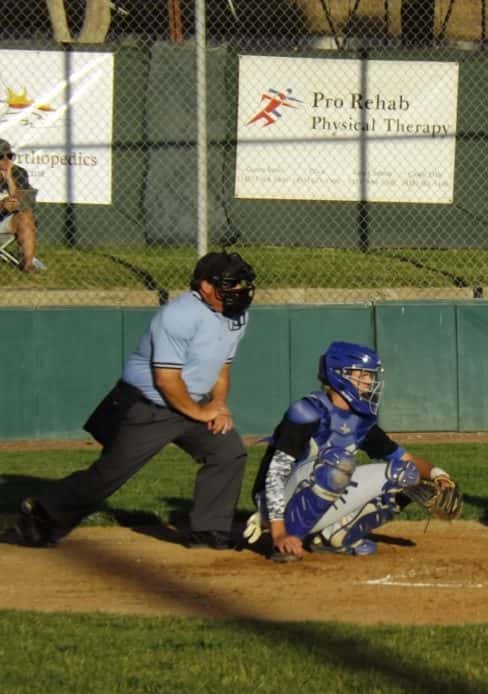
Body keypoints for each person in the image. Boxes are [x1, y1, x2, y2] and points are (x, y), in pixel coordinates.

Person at [16, 251, 257, 549]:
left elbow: (221, 367)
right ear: (206, 286)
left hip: (190, 402)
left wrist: (218, 406)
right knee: (110, 475)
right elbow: (166, 380)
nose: (240, 291)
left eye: (243, 284)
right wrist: (201, 412)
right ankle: (41, 514)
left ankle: (209, 530)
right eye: (231, 284)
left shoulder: (237, 316)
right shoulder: (179, 315)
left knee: (228, 451)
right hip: (149, 405)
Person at [244, 340, 460, 561]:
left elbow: (405, 459)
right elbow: (276, 474)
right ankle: (286, 543)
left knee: (406, 474)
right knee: (339, 462)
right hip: (277, 502)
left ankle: (336, 537)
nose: (370, 382)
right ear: (340, 375)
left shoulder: (360, 421)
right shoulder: (307, 412)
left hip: (324, 484)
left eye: (370, 376)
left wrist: (438, 475)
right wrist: (278, 532)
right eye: (363, 375)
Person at [0, 138, 42, 272]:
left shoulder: (18, 172)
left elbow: (24, 203)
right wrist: (1, 205)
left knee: (25, 216)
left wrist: (10, 180)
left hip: (5, 223)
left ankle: (28, 264)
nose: (7, 160)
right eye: (1, 156)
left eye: (10, 156)